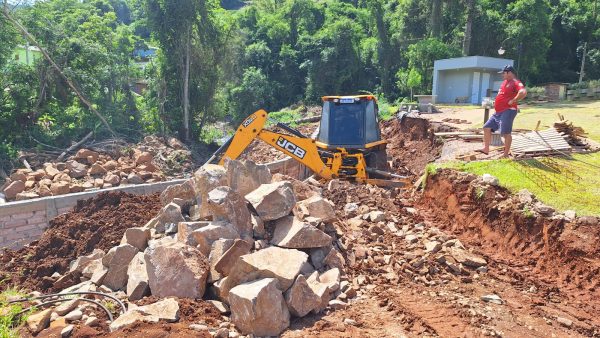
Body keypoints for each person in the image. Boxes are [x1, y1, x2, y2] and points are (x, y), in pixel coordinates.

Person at [478, 65, 527, 157]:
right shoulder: (504, 82)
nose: (502, 75)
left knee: (505, 133)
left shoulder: (516, 82)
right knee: (486, 127)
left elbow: (523, 92)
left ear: (509, 72)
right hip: (498, 112)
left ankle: (505, 154)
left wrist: (514, 100)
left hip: (508, 111)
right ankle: (486, 149)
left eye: (503, 73)